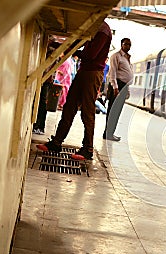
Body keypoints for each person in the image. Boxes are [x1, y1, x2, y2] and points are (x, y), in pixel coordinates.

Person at [36, 21, 112, 160]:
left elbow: (91, 55)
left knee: (87, 112)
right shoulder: (94, 27)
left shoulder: (102, 30)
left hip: (93, 73)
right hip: (84, 71)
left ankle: (87, 149)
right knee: (69, 107)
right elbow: (76, 43)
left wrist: (63, 47)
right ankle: (56, 143)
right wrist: (58, 45)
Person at [102, 38, 133, 141]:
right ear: (121, 45)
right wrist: (115, 87)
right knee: (113, 111)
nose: (128, 46)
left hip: (123, 86)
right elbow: (113, 73)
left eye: (129, 44)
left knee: (117, 111)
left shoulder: (127, 58)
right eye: (126, 44)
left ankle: (111, 133)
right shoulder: (116, 56)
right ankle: (107, 133)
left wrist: (127, 89)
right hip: (117, 86)